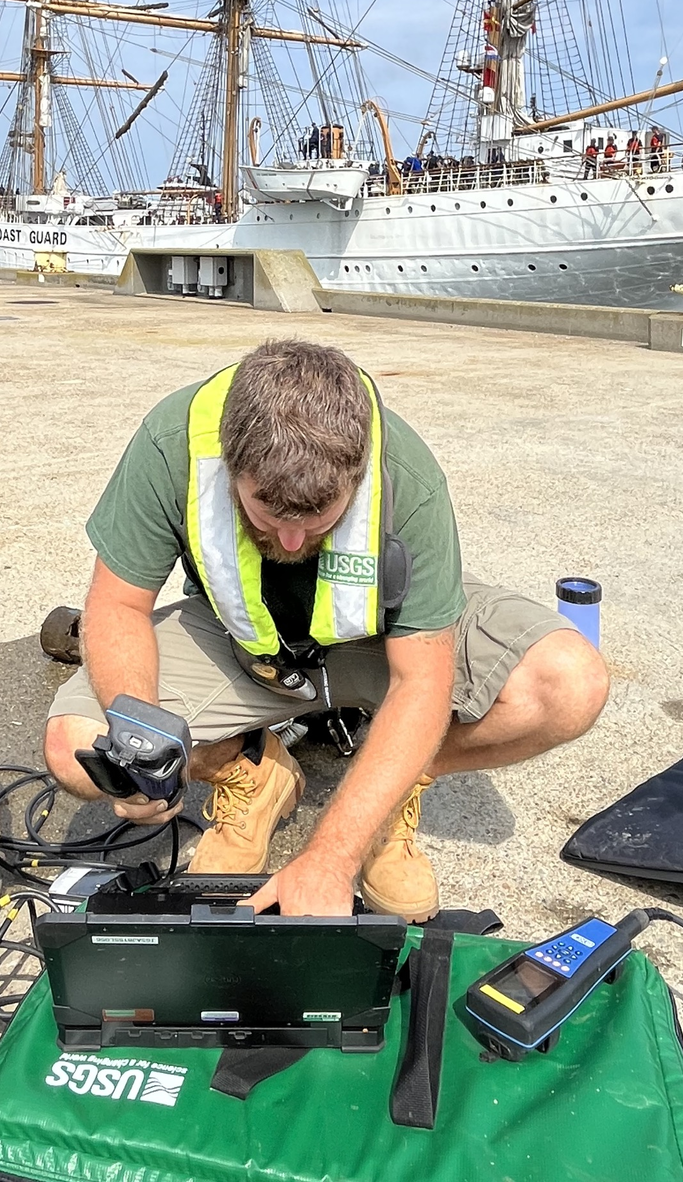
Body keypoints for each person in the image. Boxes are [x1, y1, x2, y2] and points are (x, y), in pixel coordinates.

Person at [44, 340, 607, 920]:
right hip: (241, 640)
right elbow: (117, 606)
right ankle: (250, 772)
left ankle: (386, 797)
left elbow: (421, 680)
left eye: (319, 518)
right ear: (230, 464)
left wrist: (330, 856)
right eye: (268, 514)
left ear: (357, 472)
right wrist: (142, 745)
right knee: (78, 749)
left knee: (569, 684)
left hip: (374, 644)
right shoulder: (173, 444)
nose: (292, 542)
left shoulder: (408, 477)